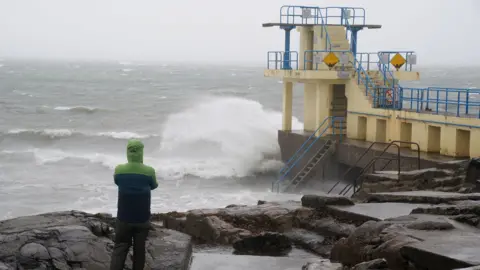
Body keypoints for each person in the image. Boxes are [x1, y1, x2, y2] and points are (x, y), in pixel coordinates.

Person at [110, 139, 158, 270]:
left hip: (123, 218)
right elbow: (154, 185)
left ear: (128, 152)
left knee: (120, 248)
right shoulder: (149, 171)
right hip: (142, 219)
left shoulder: (119, 170)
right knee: (139, 250)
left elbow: (117, 181)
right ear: (141, 152)